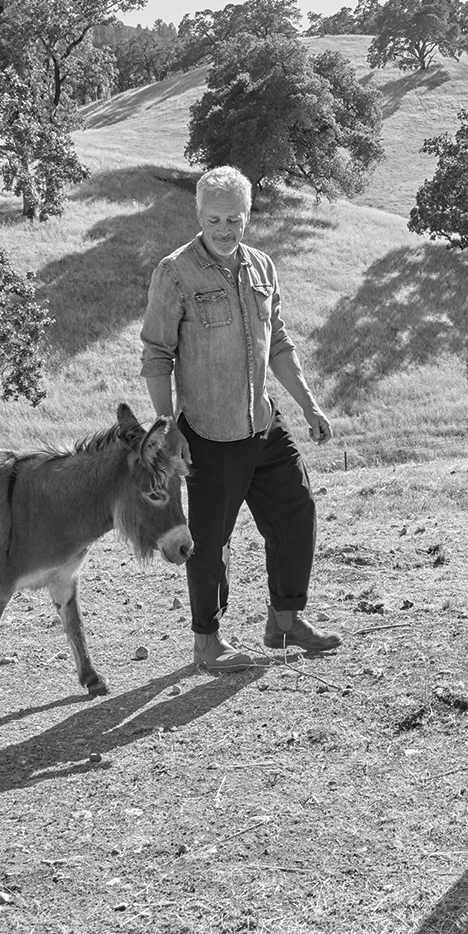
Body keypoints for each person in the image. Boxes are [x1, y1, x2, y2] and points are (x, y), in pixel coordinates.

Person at [140, 165, 339, 672]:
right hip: (206, 432)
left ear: (248, 216)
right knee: (209, 542)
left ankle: (285, 621)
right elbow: (156, 355)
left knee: (297, 510)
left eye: (235, 219)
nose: (225, 230)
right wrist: (168, 430)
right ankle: (207, 642)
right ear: (199, 214)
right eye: (215, 219)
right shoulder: (175, 273)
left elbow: (280, 341)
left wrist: (308, 404)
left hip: (262, 424)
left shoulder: (262, 267)